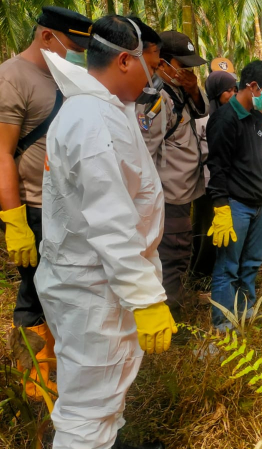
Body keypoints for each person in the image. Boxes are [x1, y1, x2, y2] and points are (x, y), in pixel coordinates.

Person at [35, 15, 173, 449]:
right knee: (86, 413)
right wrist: (145, 295)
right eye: (152, 62)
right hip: (92, 288)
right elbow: (110, 218)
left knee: (101, 403)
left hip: (97, 284)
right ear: (127, 60)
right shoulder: (90, 118)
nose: (155, 74)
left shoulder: (105, 109)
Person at [0, 5, 92, 399]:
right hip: (34, 207)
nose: (77, 54)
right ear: (46, 36)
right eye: (73, 45)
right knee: (33, 294)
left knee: (62, 291)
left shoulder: (69, 76)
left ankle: (62, 369)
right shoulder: (12, 76)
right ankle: (33, 380)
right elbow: (3, 153)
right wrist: (14, 220)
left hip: (68, 206)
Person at [206, 60, 262, 331]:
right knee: (228, 266)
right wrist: (221, 208)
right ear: (252, 87)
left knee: (252, 262)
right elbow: (217, 167)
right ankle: (223, 324)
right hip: (235, 206)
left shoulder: (256, 118)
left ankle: (245, 310)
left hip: (257, 204)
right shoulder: (224, 119)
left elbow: (254, 161)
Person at [135, 31, 209, 320]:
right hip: (169, 194)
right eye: (183, 66)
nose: (188, 72)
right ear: (164, 63)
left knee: (180, 252)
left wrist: (192, 90)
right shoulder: (155, 98)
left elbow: (201, 115)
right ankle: (170, 319)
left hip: (186, 189)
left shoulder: (178, 90)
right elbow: (145, 154)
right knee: (173, 255)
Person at [191, 69, 238, 279]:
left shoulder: (236, 113)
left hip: (230, 181)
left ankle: (219, 272)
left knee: (223, 232)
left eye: (234, 89)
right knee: (205, 230)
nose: (232, 94)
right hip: (207, 182)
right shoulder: (202, 116)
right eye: (227, 90)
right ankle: (199, 275)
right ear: (216, 91)